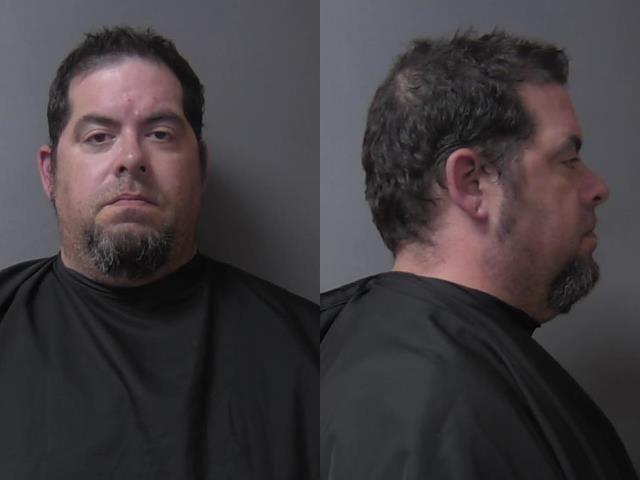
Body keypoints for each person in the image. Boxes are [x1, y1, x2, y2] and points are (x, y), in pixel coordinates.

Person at [0, 26, 317, 480]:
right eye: (98, 136)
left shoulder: (310, 352)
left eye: (160, 134)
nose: (131, 157)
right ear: (51, 173)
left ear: (200, 168)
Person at [320, 31, 637, 479]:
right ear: (472, 183)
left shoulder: (371, 346)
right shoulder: (432, 406)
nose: (597, 189)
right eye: (567, 161)